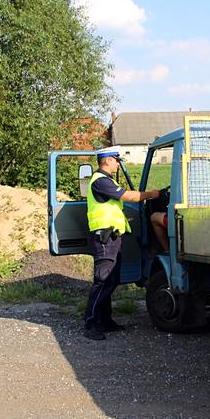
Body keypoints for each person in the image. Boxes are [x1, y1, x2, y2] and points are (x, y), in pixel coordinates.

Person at [83, 145, 160, 340]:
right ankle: (91, 324)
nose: (118, 163)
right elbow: (128, 196)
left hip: (112, 237)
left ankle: (105, 321)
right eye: (116, 160)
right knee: (103, 281)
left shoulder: (105, 180)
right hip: (105, 238)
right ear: (108, 160)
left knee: (112, 280)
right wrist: (151, 194)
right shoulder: (100, 181)